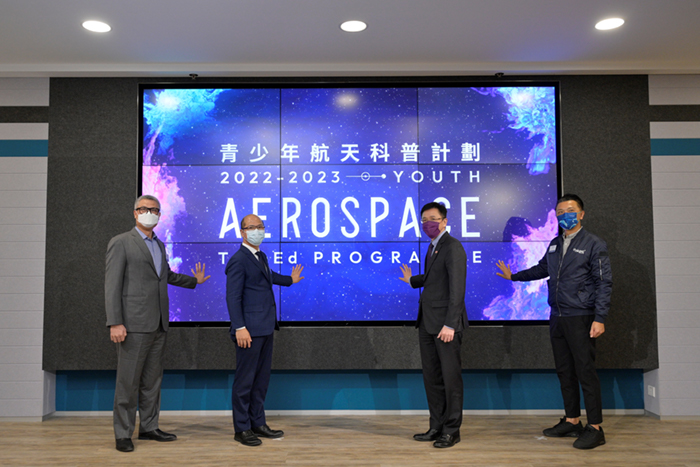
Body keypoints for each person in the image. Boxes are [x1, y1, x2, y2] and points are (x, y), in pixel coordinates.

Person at [496, 193, 612, 450]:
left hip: (581, 317)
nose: (564, 215)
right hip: (557, 316)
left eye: (570, 210)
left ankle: (595, 428)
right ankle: (572, 420)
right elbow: (541, 269)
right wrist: (514, 276)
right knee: (565, 371)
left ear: (581, 214)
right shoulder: (554, 244)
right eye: (560, 212)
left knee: (585, 372)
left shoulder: (594, 243)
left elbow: (604, 284)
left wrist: (600, 318)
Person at [105, 195, 210, 453]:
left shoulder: (159, 245)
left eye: (154, 210)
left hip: (159, 323)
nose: (150, 213)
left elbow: (165, 276)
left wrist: (193, 281)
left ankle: (150, 427)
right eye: (145, 209)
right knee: (128, 383)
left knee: (152, 381)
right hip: (133, 325)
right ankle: (123, 434)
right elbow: (112, 285)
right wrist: (115, 322)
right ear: (135, 213)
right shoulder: (121, 242)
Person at [226, 214, 305, 446]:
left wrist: (289, 280)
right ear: (242, 232)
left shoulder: (260, 255)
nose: (257, 230)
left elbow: (266, 277)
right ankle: (241, 428)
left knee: (261, 380)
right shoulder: (238, 260)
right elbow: (233, 297)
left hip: (265, 327)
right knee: (245, 381)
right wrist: (239, 327)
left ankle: (257, 423)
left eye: (260, 226)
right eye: (252, 227)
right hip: (248, 330)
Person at [399, 202, 468, 449]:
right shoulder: (432, 247)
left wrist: (450, 323)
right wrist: (413, 280)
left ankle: (452, 430)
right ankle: (436, 425)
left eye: (433, 218)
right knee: (433, 378)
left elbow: (457, 289)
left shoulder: (453, 247)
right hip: (428, 324)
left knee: (450, 379)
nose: (428, 223)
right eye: (424, 219)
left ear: (444, 221)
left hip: (445, 326)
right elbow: (434, 279)